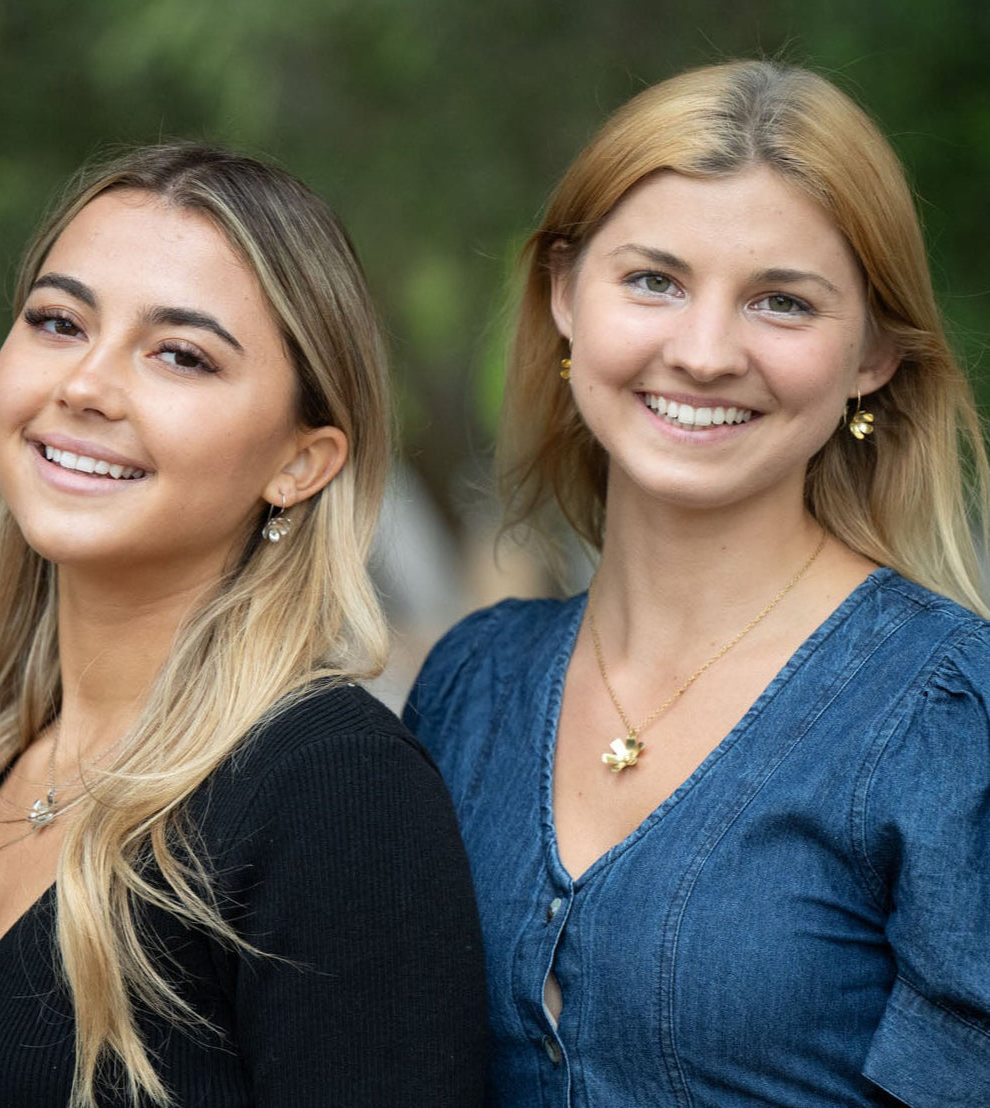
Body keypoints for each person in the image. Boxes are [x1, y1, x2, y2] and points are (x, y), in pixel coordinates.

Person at [406, 60, 990, 1107]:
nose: (705, 351)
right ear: (562, 297)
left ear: (875, 356)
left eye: (782, 301)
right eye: (653, 281)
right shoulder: (469, 686)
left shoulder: (948, 717)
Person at [0, 143, 487, 1107]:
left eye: (180, 354)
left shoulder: (334, 796)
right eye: (57, 320)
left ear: (301, 461)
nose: (85, 384)